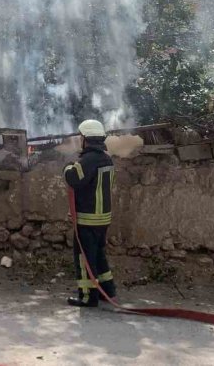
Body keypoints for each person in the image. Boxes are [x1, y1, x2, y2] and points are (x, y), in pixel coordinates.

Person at [63, 119, 117, 307]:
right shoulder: (106, 158)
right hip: (103, 219)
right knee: (98, 255)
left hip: (88, 219)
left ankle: (88, 296)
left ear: (85, 139)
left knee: (84, 257)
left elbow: (73, 178)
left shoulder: (88, 161)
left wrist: (67, 168)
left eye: (81, 137)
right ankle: (107, 290)